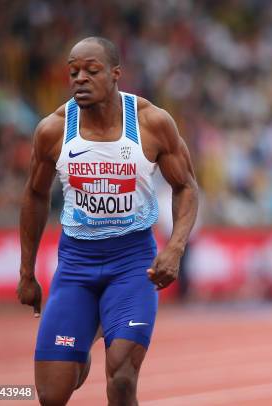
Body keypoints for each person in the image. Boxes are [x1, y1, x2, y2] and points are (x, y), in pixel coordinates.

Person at [16, 37, 198, 405]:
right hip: (76, 264)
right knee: (51, 395)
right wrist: (26, 272)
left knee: (121, 378)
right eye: (73, 71)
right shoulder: (53, 129)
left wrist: (175, 247)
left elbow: (187, 187)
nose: (80, 78)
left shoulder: (151, 122)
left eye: (91, 71)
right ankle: (89, 331)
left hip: (133, 264)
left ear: (116, 74)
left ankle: (102, 324)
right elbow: (34, 195)